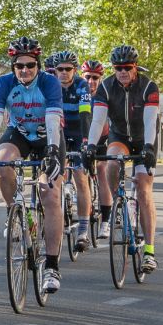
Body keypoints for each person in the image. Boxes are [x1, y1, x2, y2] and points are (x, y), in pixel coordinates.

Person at [0, 37, 65, 292]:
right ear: (12, 66)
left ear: (38, 64)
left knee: (50, 193)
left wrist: (52, 152)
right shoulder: (4, 84)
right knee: (3, 162)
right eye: (19, 66)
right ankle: (15, 211)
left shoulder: (50, 82)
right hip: (20, 133)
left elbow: (52, 118)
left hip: (49, 137)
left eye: (30, 65)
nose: (24, 70)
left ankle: (52, 266)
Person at [82, 45, 160, 271]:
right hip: (120, 137)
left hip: (144, 136)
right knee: (112, 162)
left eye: (127, 67)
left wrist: (148, 148)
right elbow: (97, 121)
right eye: (118, 68)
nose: (123, 72)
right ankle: (120, 201)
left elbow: (150, 120)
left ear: (135, 68)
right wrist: (91, 146)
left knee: (144, 190)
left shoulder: (148, 87)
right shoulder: (105, 87)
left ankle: (149, 252)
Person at [52, 49, 92, 250]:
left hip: (78, 132)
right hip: (59, 132)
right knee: (52, 178)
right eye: (60, 69)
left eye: (68, 69)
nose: (64, 73)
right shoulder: (51, 85)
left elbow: (86, 114)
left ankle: (83, 230)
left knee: (80, 177)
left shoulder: (82, 85)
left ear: (75, 70)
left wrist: (85, 141)